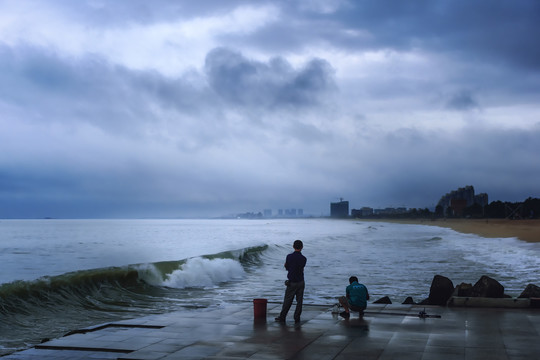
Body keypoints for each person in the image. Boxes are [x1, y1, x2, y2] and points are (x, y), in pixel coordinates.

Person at [275, 240, 307, 324]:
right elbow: (301, 268)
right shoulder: (304, 259)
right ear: (302, 247)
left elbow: (287, 266)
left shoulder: (289, 256)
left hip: (291, 282)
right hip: (301, 282)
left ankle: (282, 316)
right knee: (299, 301)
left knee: (287, 301)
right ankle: (297, 317)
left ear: (293, 246)